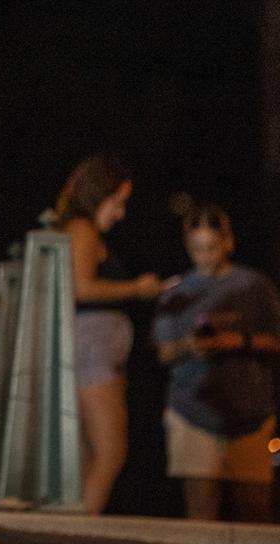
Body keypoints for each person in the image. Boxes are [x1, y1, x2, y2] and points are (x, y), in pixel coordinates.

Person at [152, 203, 280, 522]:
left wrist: (237, 341)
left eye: (211, 247)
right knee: (200, 512)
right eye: (197, 249)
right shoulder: (176, 292)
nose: (205, 257)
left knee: (254, 508)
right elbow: (163, 352)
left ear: (227, 241)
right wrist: (190, 346)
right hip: (193, 412)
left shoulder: (254, 286)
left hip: (248, 413)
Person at [52, 154, 163, 514]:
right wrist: (136, 288)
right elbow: (80, 288)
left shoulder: (84, 230)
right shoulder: (81, 229)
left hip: (96, 354)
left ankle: (74, 526)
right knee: (110, 451)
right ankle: (77, 534)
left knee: (91, 453)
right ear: (100, 193)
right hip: (91, 355)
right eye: (118, 202)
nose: (121, 213)